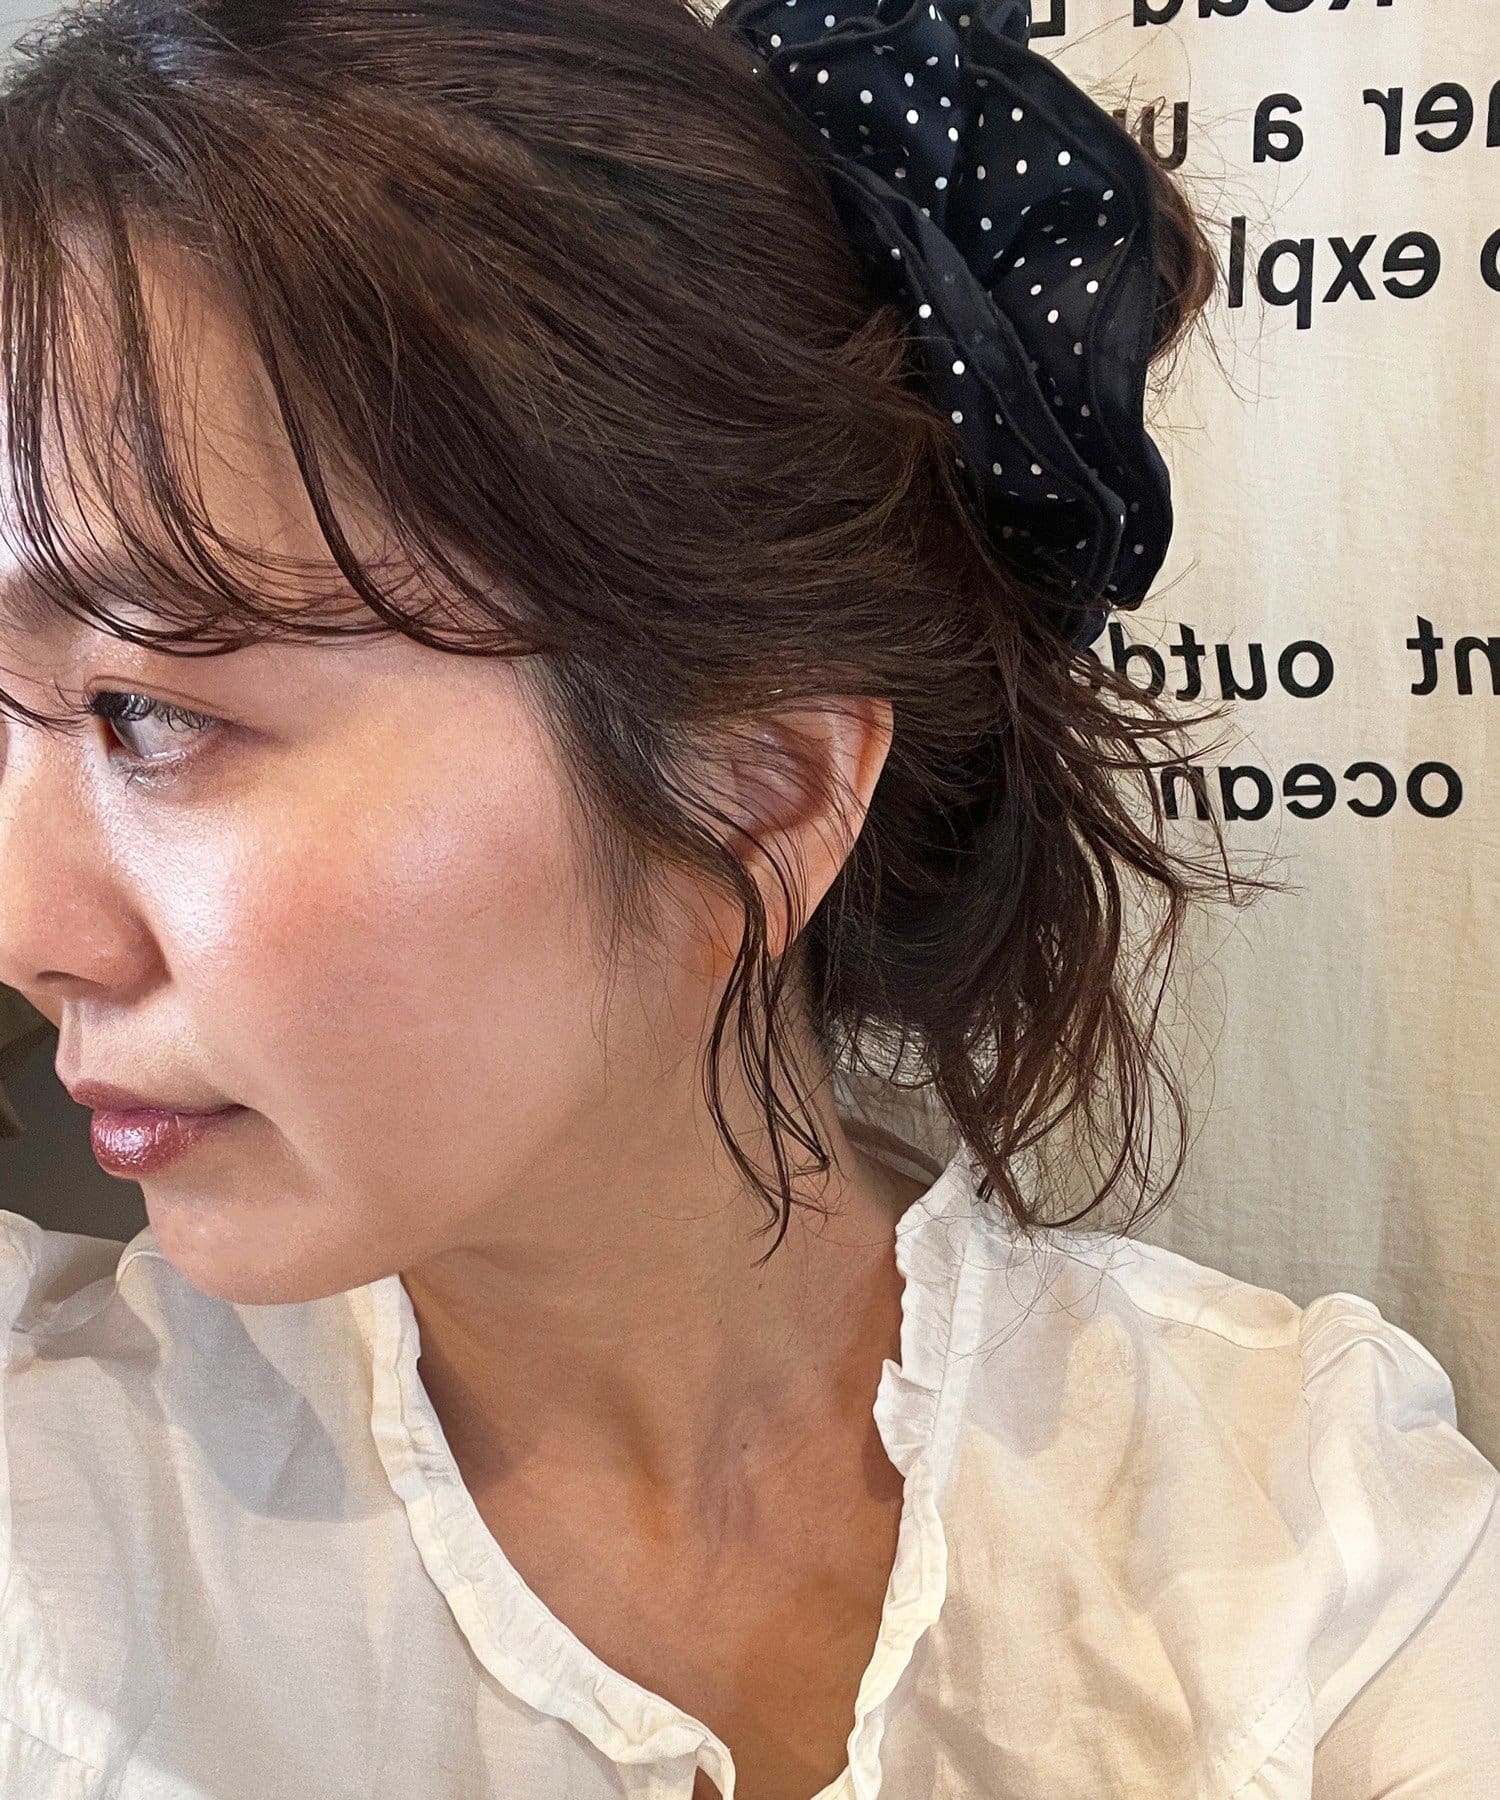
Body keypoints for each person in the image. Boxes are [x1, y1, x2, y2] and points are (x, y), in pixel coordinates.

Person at [0, 1, 1493, 1796]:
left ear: (756, 798)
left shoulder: (1309, 1547)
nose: (27, 931)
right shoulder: (51, 1530)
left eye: (145, 710)